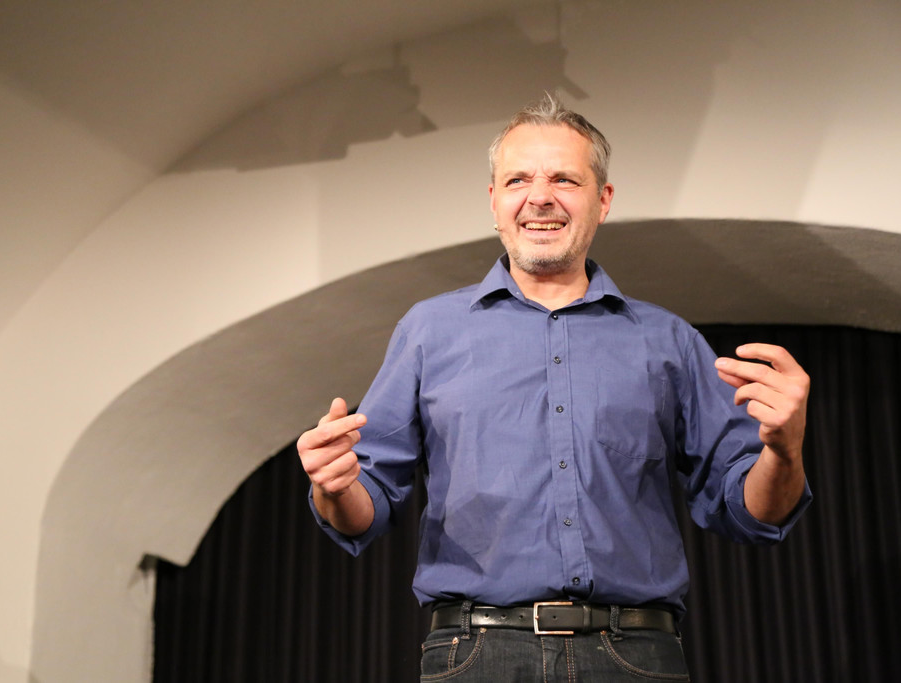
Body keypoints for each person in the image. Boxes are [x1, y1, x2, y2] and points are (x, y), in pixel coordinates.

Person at [297, 95, 811, 682]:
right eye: (518, 180)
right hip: (476, 655)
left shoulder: (668, 340)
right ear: (494, 200)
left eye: (564, 179)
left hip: (634, 657)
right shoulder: (428, 330)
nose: (539, 197)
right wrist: (333, 487)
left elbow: (751, 512)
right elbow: (364, 508)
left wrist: (784, 451)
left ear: (603, 200)